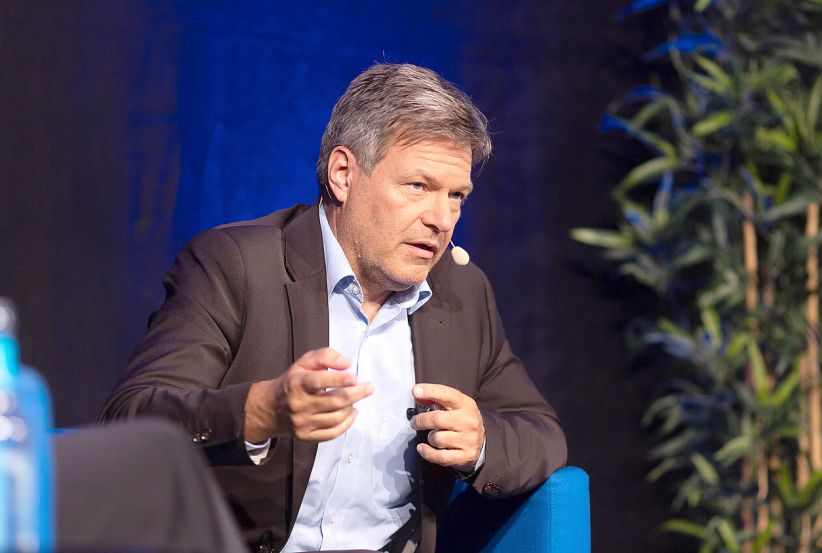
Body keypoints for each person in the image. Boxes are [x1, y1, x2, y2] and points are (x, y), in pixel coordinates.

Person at [100, 63, 566, 553]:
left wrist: (481, 443)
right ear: (344, 174)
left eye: (457, 196)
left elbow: (541, 432)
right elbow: (132, 420)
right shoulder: (236, 266)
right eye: (418, 187)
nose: (441, 219)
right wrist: (260, 410)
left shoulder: (462, 290)